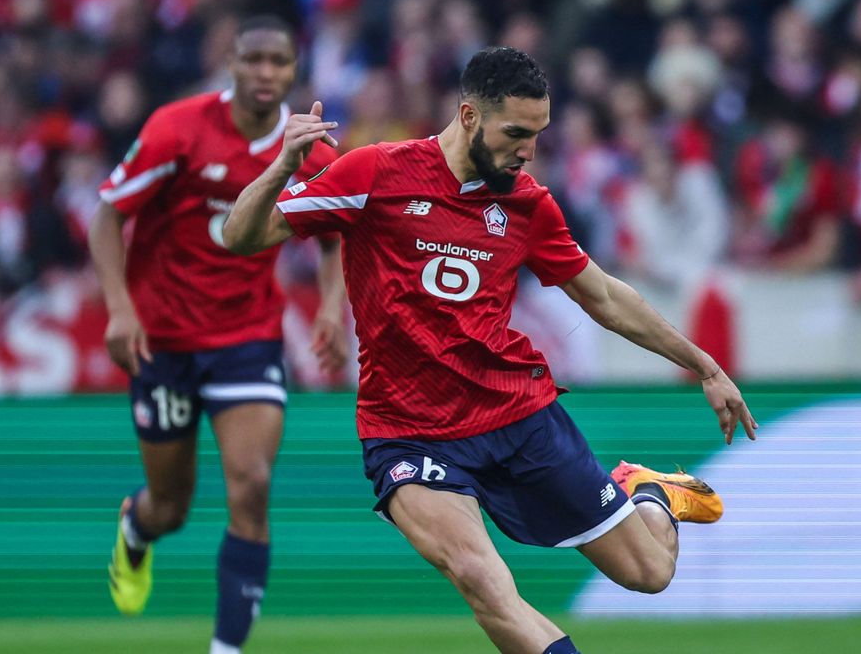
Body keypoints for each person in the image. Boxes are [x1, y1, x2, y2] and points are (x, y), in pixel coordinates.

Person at [223, 47, 757, 654]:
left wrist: (705, 365)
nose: (528, 150)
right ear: (470, 115)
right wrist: (281, 164)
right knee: (483, 581)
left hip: (519, 418)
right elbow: (240, 237)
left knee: (650, 572)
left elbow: (605, 298)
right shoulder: (374, 173)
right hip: (408, 432)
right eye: (516, 134)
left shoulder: (528, 204)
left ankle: (650, 493)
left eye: (538, 135)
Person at [88, 16, 346, 654]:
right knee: (170, 506)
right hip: (165, 340)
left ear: (293, 70)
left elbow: (338, 233)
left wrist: (331, 309)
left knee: (251, 484)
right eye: (252, 59)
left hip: (247, 336)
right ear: (230, 62)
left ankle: (225, 648)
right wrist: (120, 309)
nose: (264, 73)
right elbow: (107, 215)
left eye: (277, 62)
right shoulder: (176, 129)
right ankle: (137, 530)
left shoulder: (310, 149)